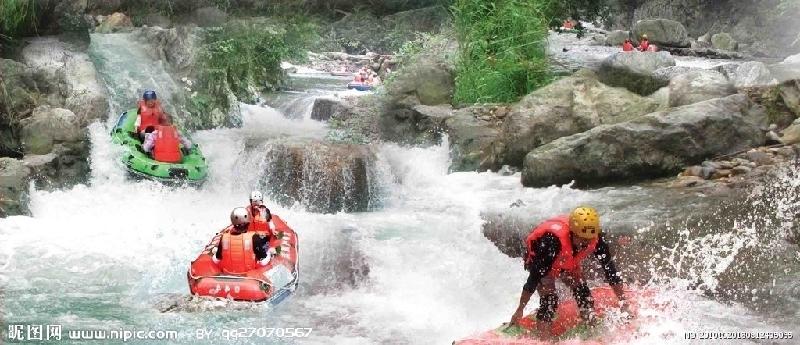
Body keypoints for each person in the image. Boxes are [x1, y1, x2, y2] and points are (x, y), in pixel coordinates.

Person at [509, 206, 629, 339]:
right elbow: (533, 278)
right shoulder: (552, 242)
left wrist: (624, 303)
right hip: (541, 260)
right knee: (550, 300)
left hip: (567, 260)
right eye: (582, 239)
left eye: (589, 239)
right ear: (573, 233)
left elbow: (610, 271)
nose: (586, 243)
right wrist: (520, 309)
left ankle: (591, 326)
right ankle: (544, 338)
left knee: (583, 293)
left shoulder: (596, 238)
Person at [212, 208, 272, 274]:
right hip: (248, 274)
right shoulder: (254, 237)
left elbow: (216, 260)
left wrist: (215, 252)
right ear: (248, 222)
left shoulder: (224, 237)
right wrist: (269, 253)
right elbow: (263, 262)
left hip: (228, 272)